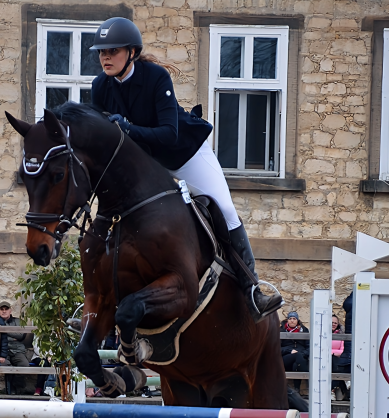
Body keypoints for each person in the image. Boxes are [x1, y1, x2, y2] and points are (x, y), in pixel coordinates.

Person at [89, 17, 282, 323]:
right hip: (147, 164)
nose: (105, 57)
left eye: (112, 50)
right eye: (101, 52)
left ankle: (252, 288)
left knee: (226, 210)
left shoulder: (155, 77)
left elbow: (169, 134)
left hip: (185, 154)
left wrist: (129, 129)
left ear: (132, 52)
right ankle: (97, 301)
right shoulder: (100, 86)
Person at [0, 300, 30, 395]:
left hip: (17, 350)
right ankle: (10, 390)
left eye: (6, 309)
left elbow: (21, 336)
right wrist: (13, 334)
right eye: (1, 309)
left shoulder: (18, 321)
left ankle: (15, 384)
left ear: (10, 310)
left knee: (24, 365)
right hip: (2, 351)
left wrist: (4, 331)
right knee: (6, 366)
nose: (4, 311)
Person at [331, 315, 345, 400]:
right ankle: (343, 388)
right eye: (332, 322)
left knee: (336, 365)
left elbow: (343, 349)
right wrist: (333, 353)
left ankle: (331, 390)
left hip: (337, 357)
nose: (333, 324)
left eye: (335, 323)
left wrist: (332, 353)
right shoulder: (323, 333)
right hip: (327, 358)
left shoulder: (342, 334)